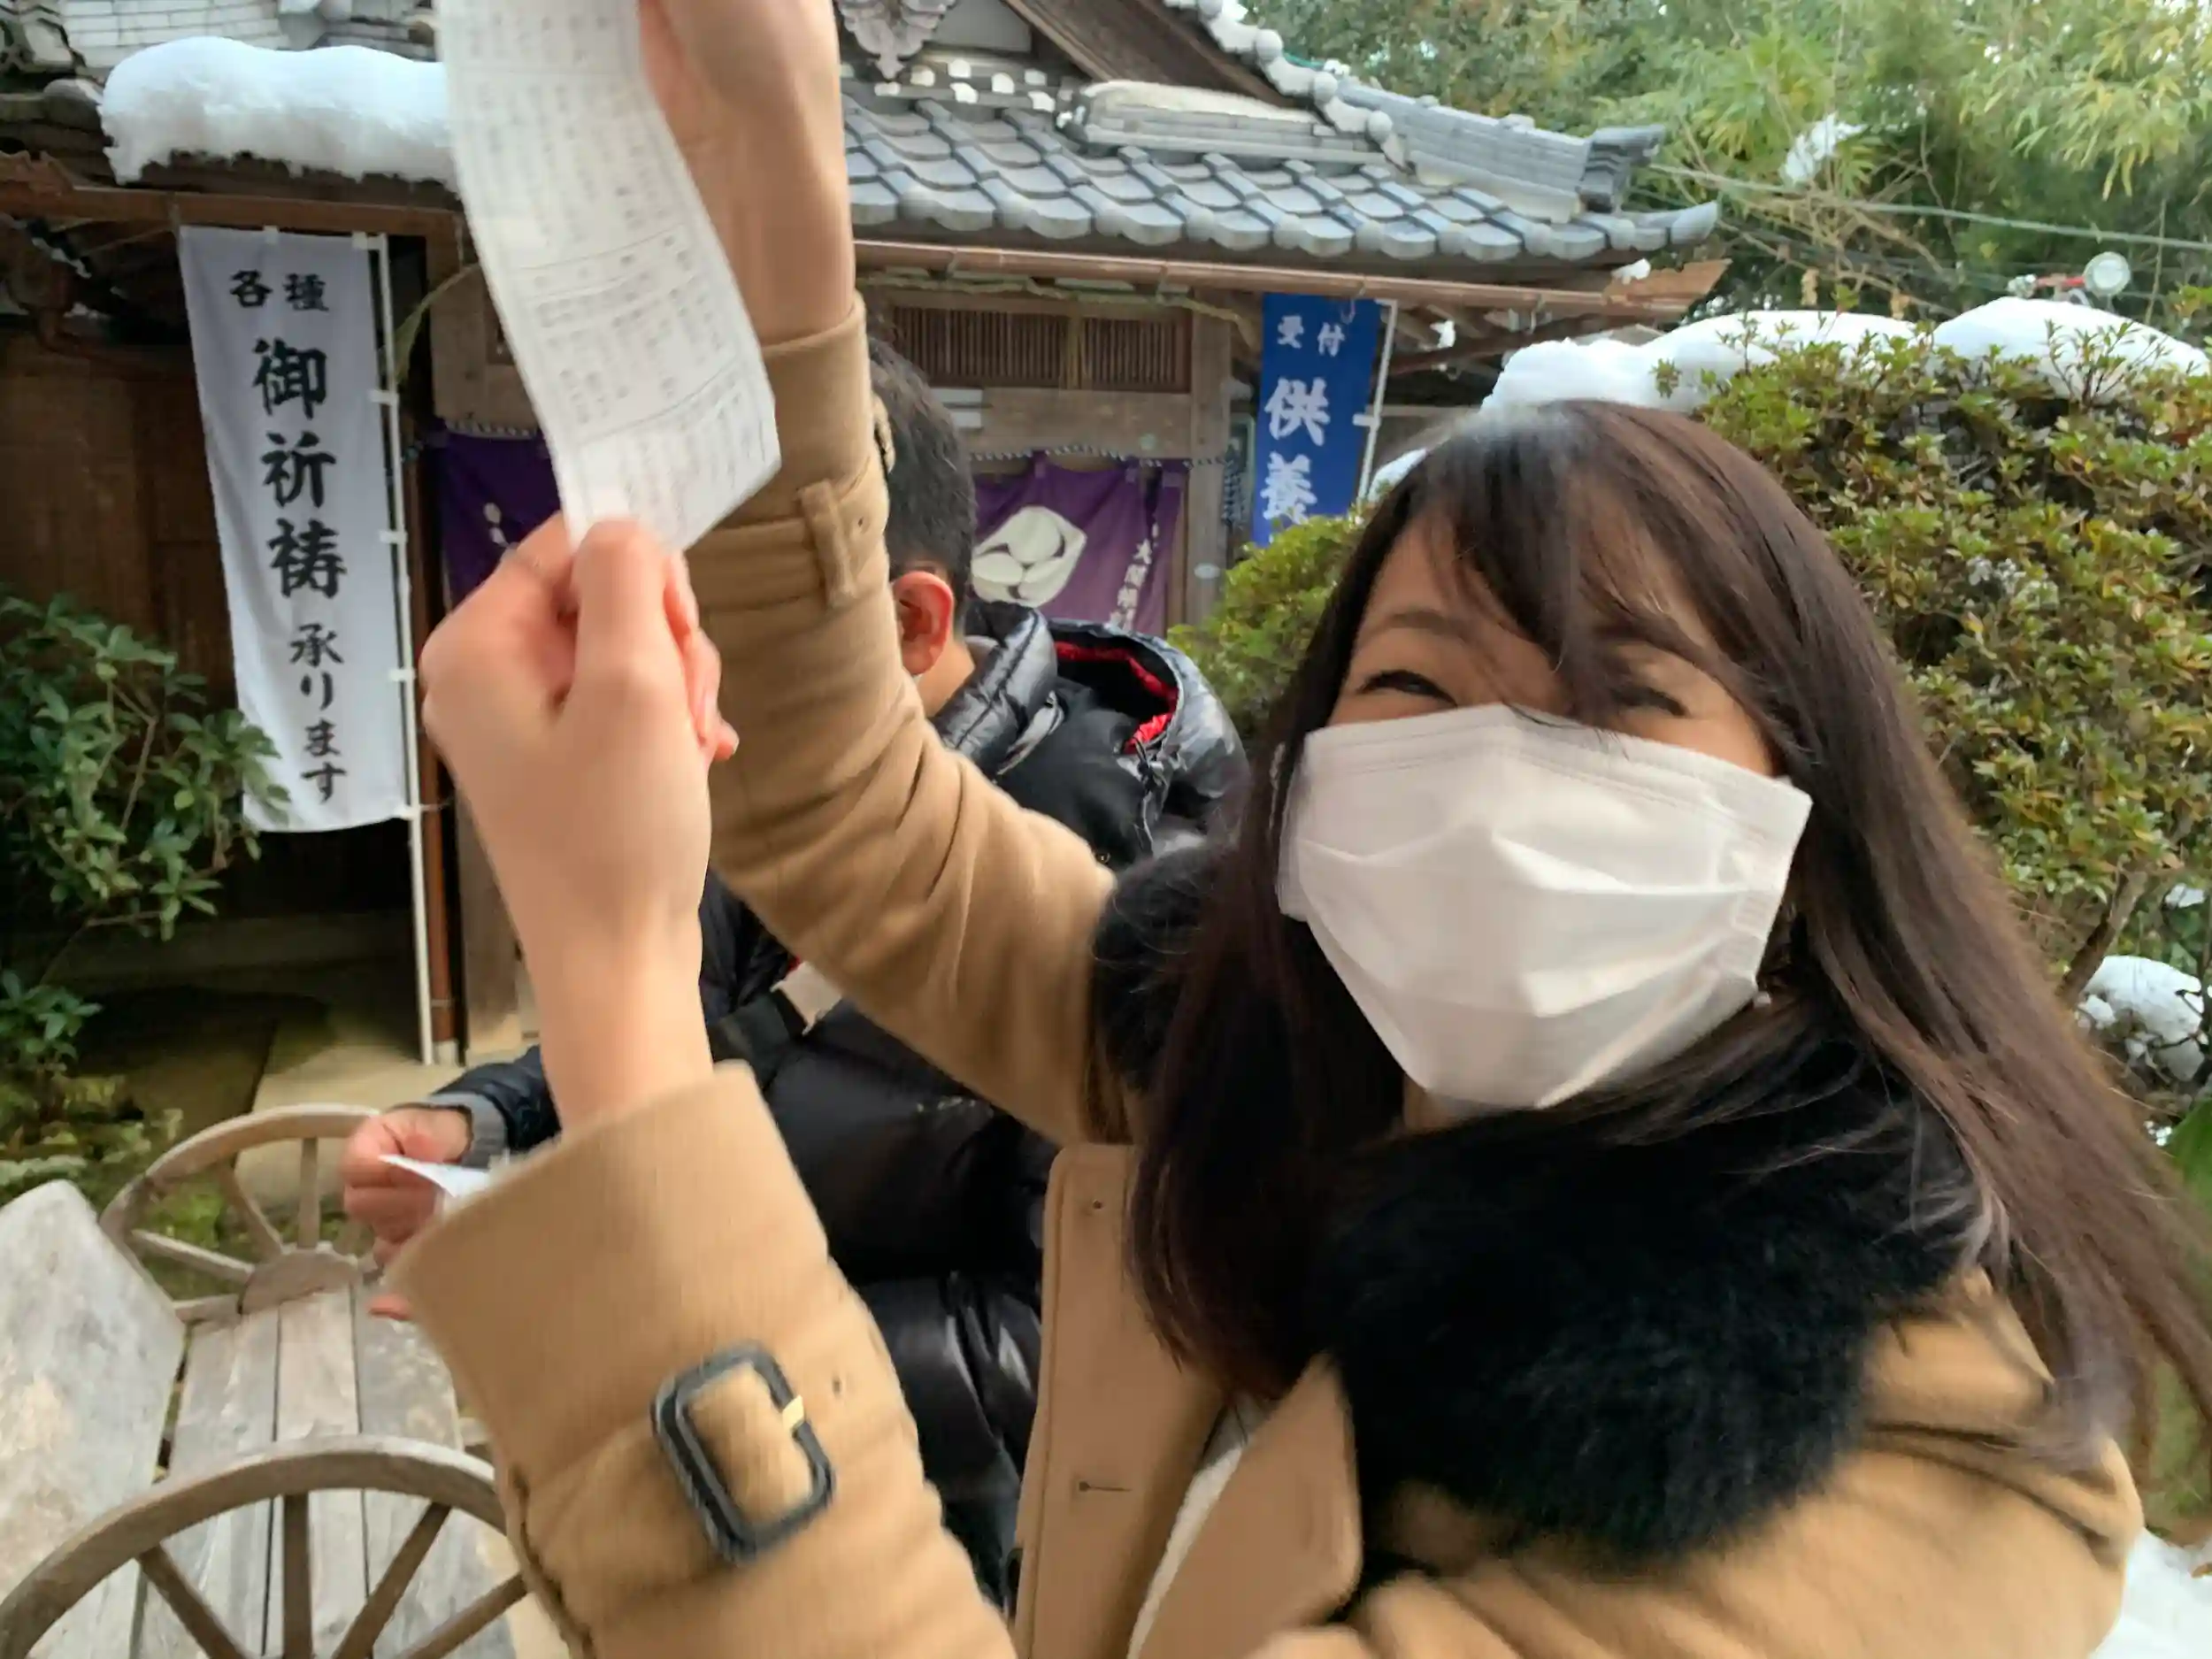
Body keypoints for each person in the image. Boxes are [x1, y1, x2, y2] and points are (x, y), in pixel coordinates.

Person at [388, 5, 2212, 1659]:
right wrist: (775, 226)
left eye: (1617, 702)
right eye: (1415, 683)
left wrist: (616, 988)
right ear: (1313, 769)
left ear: (1802, 820)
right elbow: (846, 800)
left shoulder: (1923, 1474)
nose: (1496, 780)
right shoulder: (1263, 1054)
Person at [342, 338, 1242, 1606]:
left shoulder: (1118, 880)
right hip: (725, 1460)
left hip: (956, 1565)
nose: (675, 680)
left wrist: (648, 1325)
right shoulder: (758, 761)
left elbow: (1059, 1348)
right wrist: (486, 1117)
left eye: (716, 632)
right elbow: (708, 1027)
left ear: (915, 622)